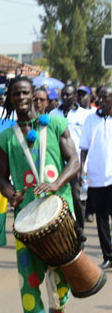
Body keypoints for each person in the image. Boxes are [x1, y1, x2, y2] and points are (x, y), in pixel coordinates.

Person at [0, 76, 79, 313]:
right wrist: (10, 194)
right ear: (10, 97)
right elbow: (2, 179)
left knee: (62, 278)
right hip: (26, 219)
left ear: (34, 96)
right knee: (29, 280)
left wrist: (56, 184)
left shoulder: (55, 125)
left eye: (25, 93)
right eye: (16, 93)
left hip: (60, 212)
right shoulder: (6, 138)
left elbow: (74, 161)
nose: (21, 97)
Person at [50, 85, 93, 229]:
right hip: (57, 163)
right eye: (63, 95)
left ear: (75, 96)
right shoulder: (53, 114)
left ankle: (79, 231)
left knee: (76, 198)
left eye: (68, 95)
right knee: (58, 199)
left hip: (76, 164)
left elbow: (88, 140)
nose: (65, 97)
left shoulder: (84, 115)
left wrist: (83, 166)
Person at [79, 85, 112, 268]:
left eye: (106, 97)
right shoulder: (90, 120)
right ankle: (108, 256)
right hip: (96, 177)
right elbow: (84, 147)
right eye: (100, 96)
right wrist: (82, 169)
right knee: (101, 219)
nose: (102, 100)